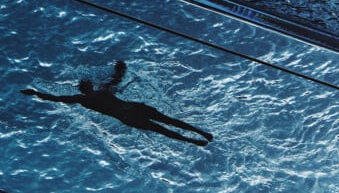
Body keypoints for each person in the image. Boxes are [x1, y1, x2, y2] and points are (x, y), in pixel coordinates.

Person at [21, 60, 213, 146]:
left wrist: (36, 93)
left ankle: (196, 137)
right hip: (131, 111)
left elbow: (117, 79)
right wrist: (36, 93)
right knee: (167, 124)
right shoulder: (92, 95)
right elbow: (117, 79)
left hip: (129, 114)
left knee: (166, 125)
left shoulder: (84, 98)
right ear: (88, 87)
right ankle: (196, 136)